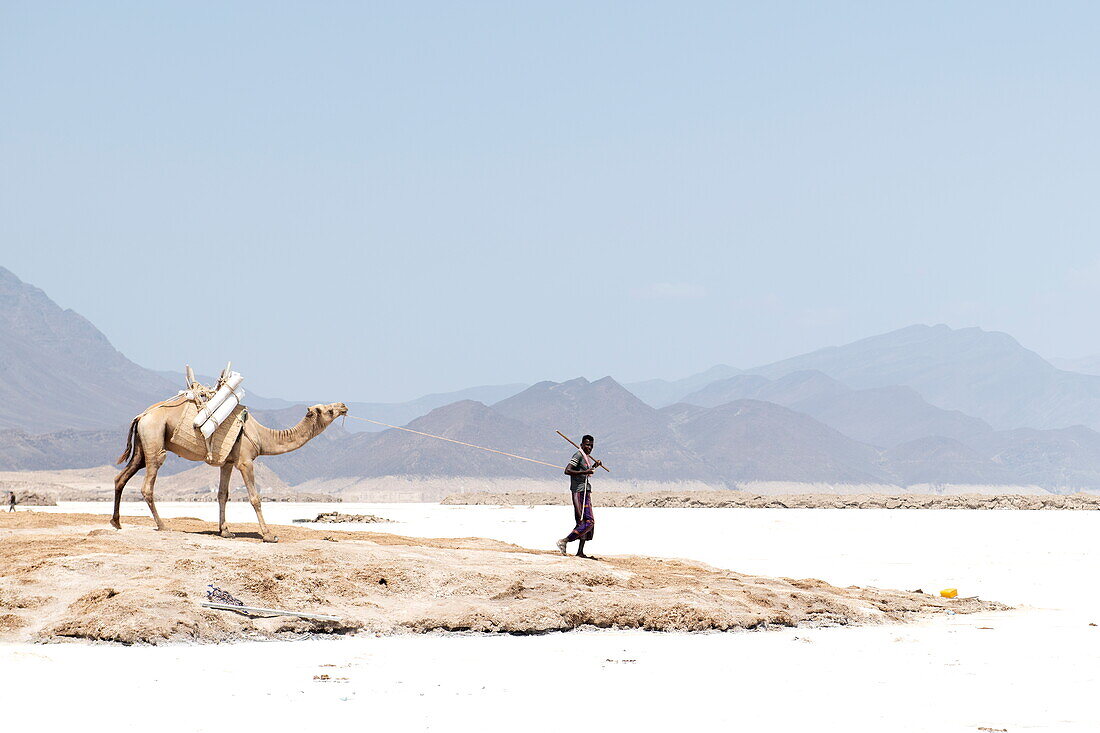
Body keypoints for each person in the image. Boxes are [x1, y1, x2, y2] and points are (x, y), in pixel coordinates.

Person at [556, 434, 601, 559]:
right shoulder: (578, 455)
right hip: (578, 491)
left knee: (587, 522)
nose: (589, 448)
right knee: (586, 521)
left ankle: (580, 552)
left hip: (585, 490)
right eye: (587, 445)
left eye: (591, 446)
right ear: (581, 445)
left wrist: (594, 467)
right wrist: (585, 472)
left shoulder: (585, 457)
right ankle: (564, 541)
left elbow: (585, 474)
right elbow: (567, 470)